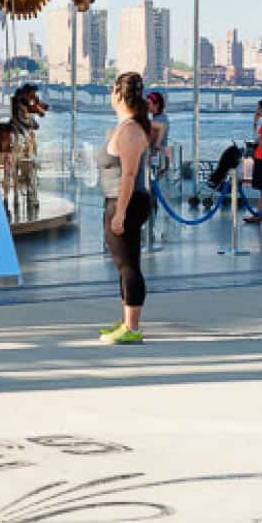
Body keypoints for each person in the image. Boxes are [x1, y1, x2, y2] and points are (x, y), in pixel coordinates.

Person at [97, 71, 152, 345]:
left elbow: (129, 175)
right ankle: (125, 321)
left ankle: (132, 326)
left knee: (129, 265)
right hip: (115, 199)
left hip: (126, 201)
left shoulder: (130, 130)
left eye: (111, 91)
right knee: (122, 264)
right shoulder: (123, 127)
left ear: (119, 95)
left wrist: (120, 211)